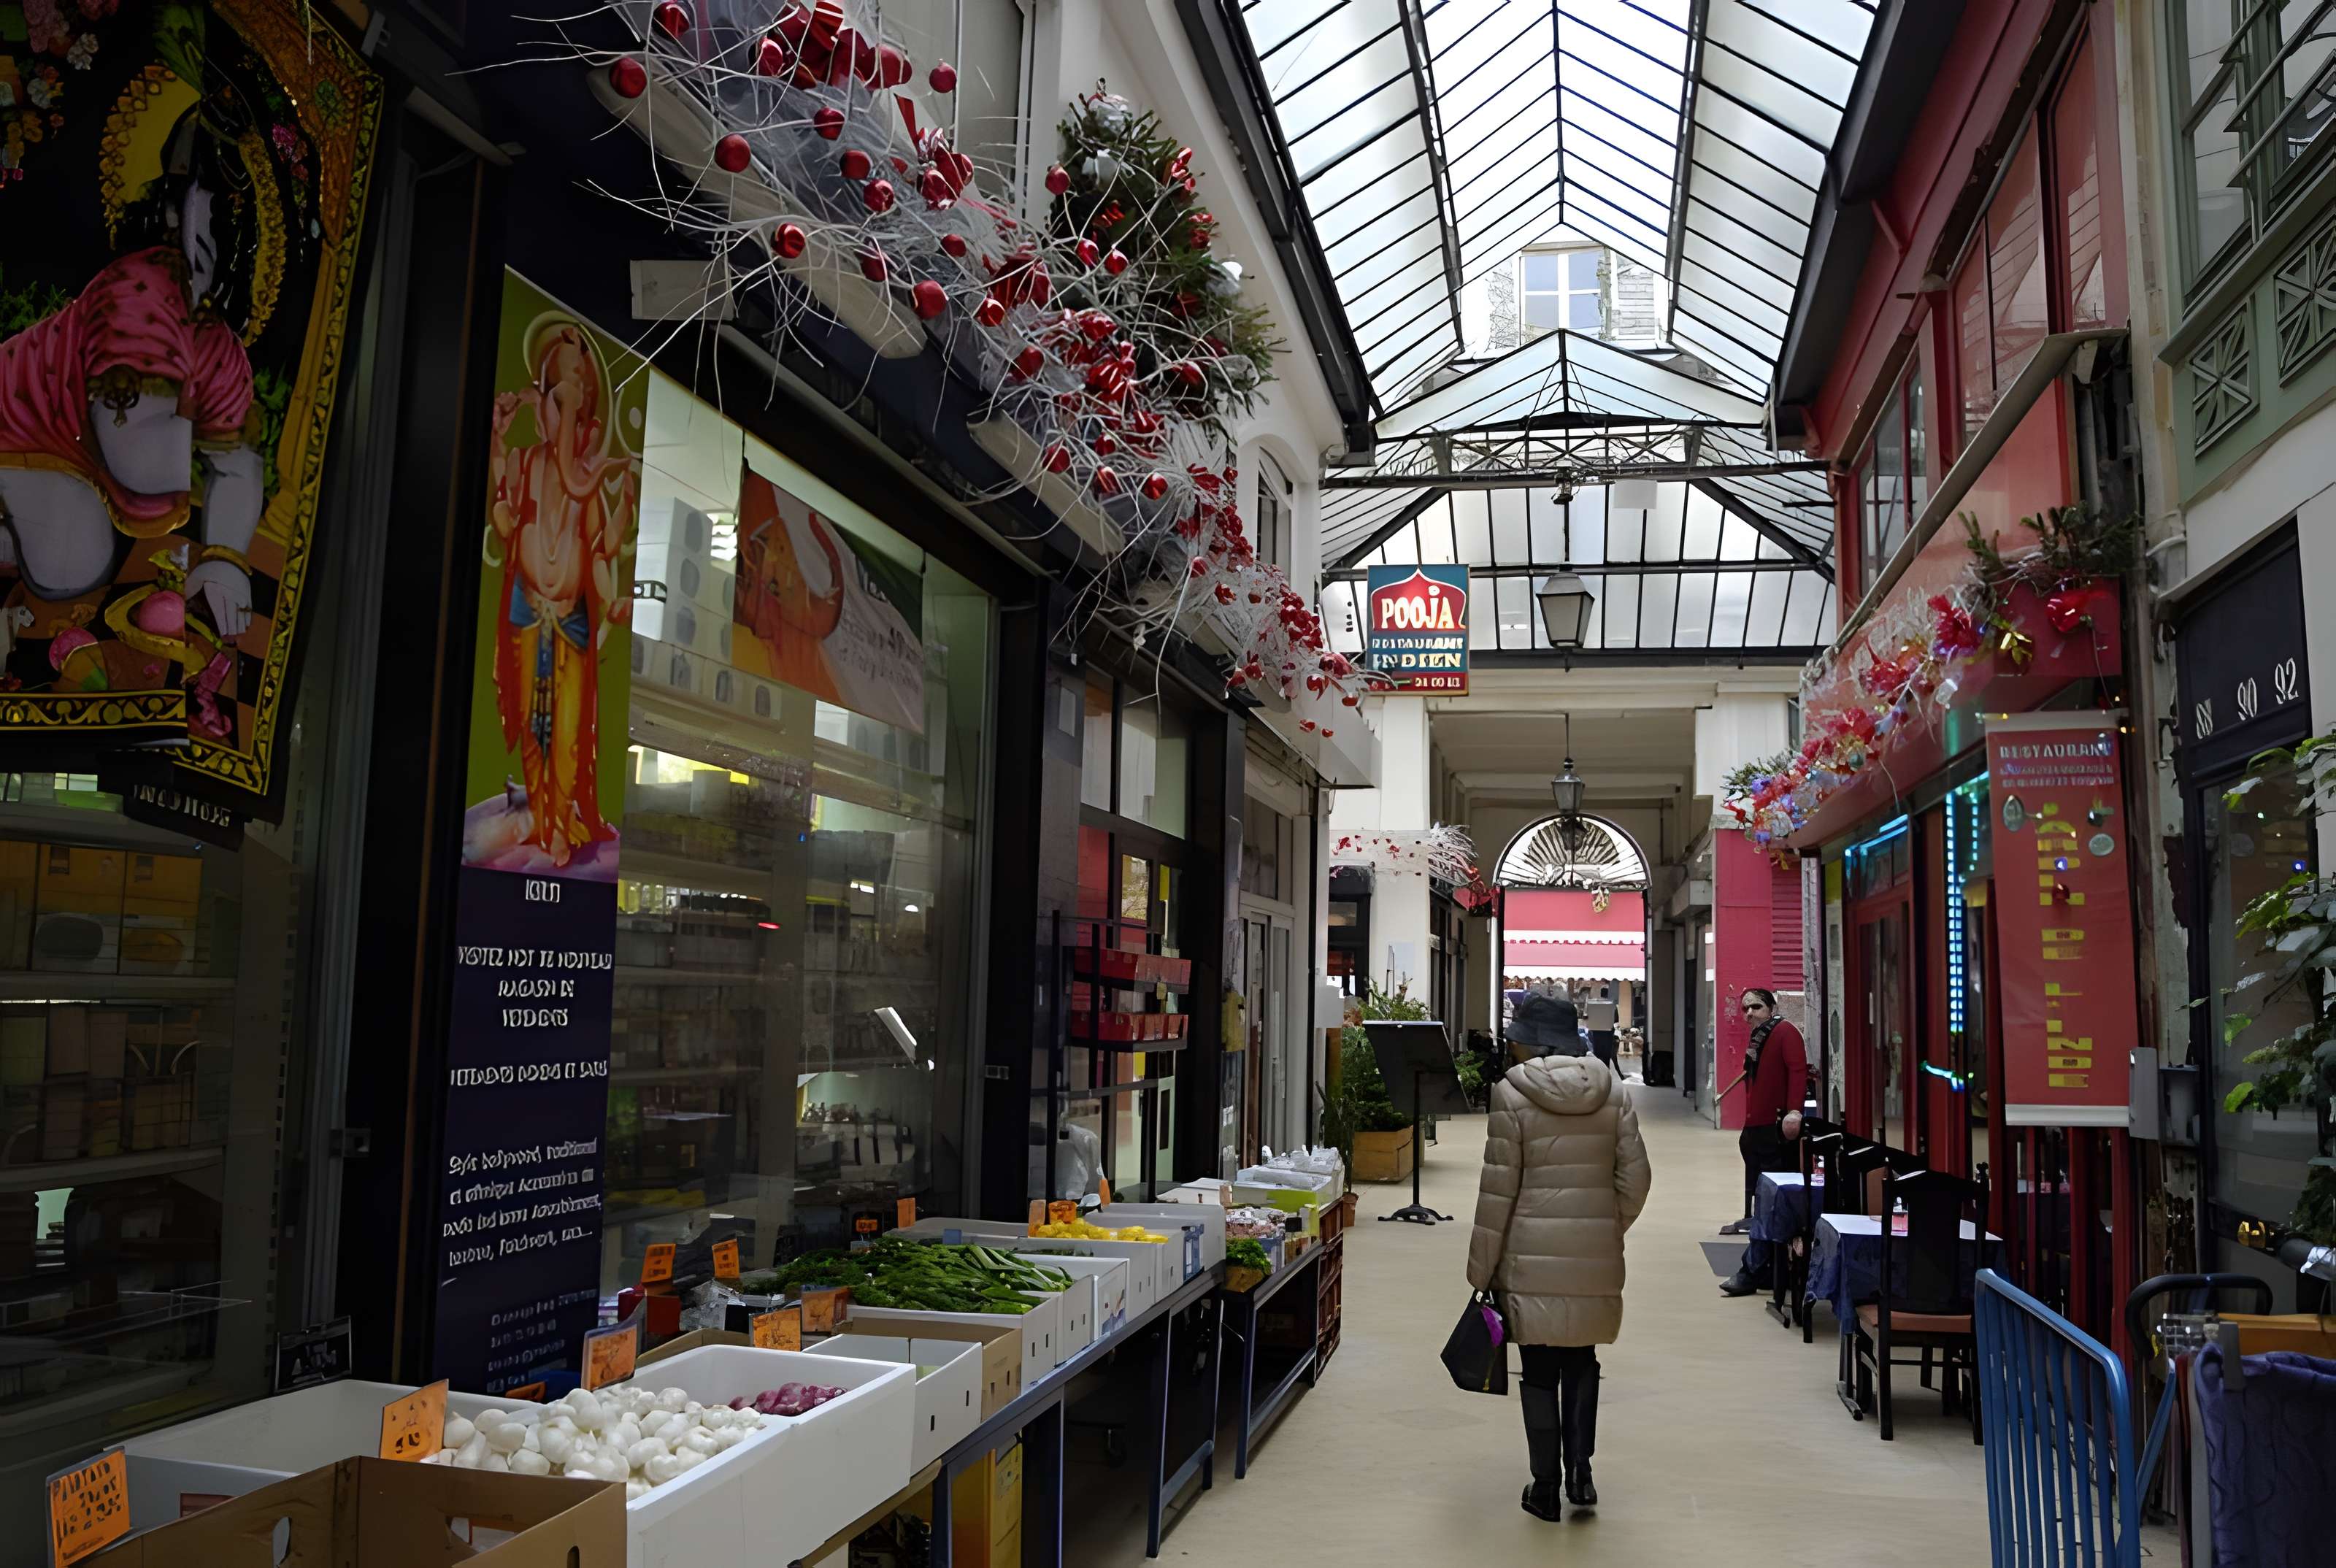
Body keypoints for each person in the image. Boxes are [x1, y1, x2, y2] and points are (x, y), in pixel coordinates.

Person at [1467, 1028, 1653, 1521]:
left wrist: (1481, 1270)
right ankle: (1582, 1476)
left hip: (1528, 1259)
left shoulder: (1509, 1093)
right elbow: (1637, 1179)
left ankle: (1545, 1487)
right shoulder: (1613, 1091)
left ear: (1530, 1043)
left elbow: (1497, 1192)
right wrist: (1607, 1227)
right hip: (1593, 1253)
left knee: (1539, 1368)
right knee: (1582, 1360)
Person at [1718, 988, 1810, 1297]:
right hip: (1757, 1130)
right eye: (1745, 1009)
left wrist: (1794, 1111)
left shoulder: (1784, 1033)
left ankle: (1753, 1269)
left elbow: (1797, 1072)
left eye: (1756, 1007)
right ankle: (1767, 1268)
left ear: (1771, 1007)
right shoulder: (1760, 1039)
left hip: (1775, 1130)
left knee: (1768, 1207)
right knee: (1763, 1203)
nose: (1750, 1014)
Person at [1580, 983, 1619, 1068]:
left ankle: (1598, 1068)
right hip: (1608, 1033)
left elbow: (1587, 1017)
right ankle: (1606, 1067)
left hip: (1596, 1032)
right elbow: (1616, 1019)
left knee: (1597, 1051)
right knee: (1607, 1053)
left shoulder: (1595, 1004)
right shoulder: (1612, 1005)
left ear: (1601, 993)